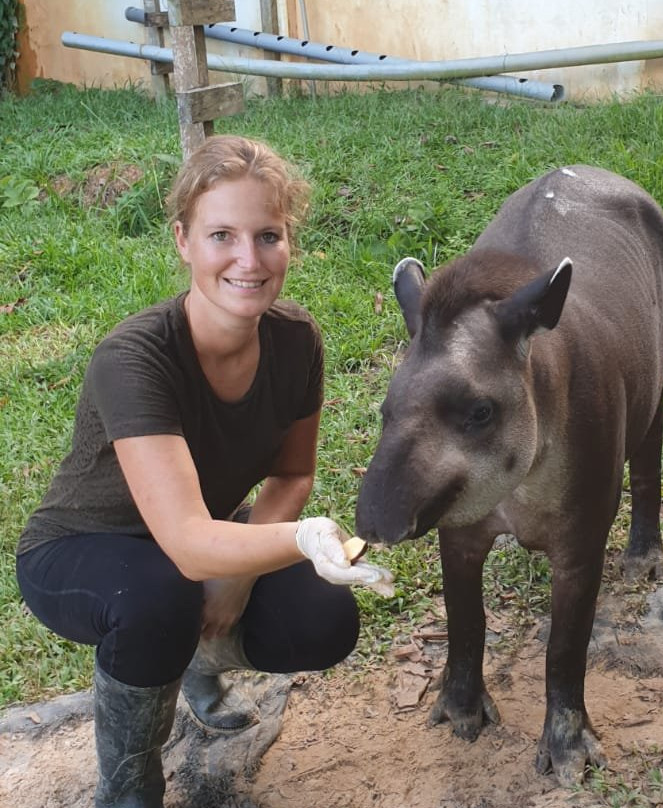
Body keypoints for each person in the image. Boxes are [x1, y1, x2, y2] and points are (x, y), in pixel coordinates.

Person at [15, 135, 394, 808]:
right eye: (222, 235)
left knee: (322, 619)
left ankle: (191, 658)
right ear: (183, 240)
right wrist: (299, 540)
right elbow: (187, 541)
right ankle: (127, 789)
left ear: (289, 242)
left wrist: (239, 574)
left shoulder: (296, 339)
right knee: (157, 598)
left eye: (268, 236)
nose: (248, 260)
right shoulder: (133, 357)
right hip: (82, 549)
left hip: (193, 541)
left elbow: (292, 474)